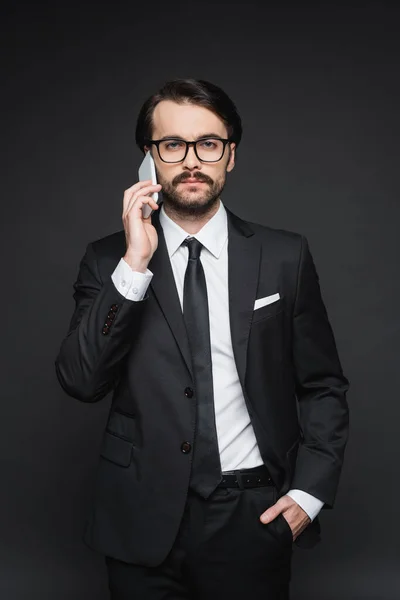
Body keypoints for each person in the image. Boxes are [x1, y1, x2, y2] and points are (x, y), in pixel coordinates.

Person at [55, 78, 350, 600]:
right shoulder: (108, 262)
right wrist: (135, 263)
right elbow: (81, 381)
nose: (191, 160)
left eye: (208, 143)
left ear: (229, 155)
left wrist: (309, 494)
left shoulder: (284, 257)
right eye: (172, 145)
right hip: (140, 519)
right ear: (149, 159)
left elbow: (323, 384)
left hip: (252, 515)